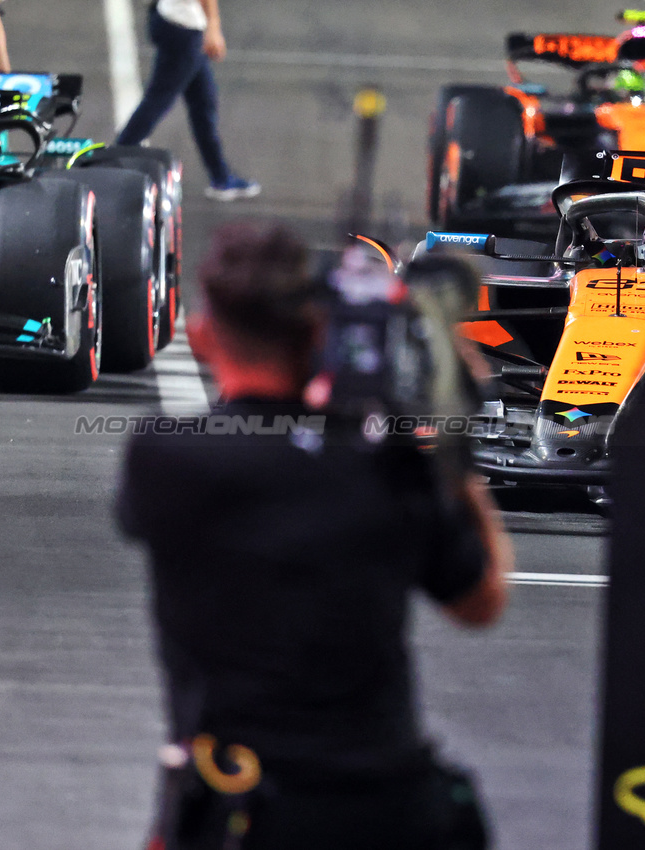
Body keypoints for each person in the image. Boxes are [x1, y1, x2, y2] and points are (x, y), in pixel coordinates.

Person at [116, 223, 513, 849]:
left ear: (201, 336)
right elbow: (480, 601)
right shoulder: (384, 466)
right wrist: (451, 452)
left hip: (240, 805)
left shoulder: (166, 460)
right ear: (318, 332)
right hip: (386, 806)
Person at [116, 0, 259, 201]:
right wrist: (213, 27)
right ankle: (113, 160)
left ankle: (220, 176)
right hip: (183, 28)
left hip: (175, 21)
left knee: (203, 104)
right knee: (159, 100)